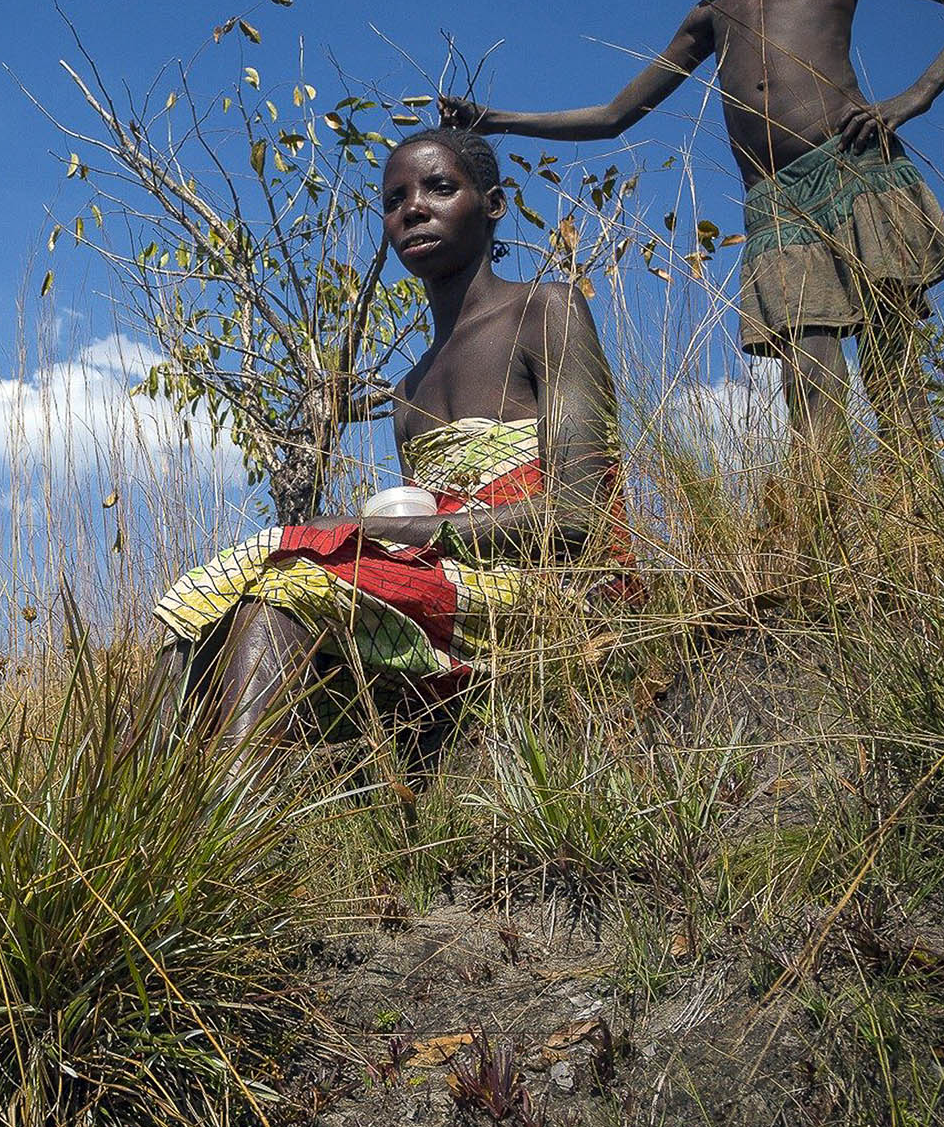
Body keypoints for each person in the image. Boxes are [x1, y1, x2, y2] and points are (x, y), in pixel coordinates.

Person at [441, 0, 944, 455]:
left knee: (892, 368)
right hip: (777, 205)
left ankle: (918, 503)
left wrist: (916, 95)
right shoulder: (710, 14)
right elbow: (615, 114)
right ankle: (826, 512)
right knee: (810, 393)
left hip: (853, 170)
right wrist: (497, 119)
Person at [155, 127, 634, 740]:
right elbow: (422, 532)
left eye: (440, 188)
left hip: (552, 591)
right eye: (393, 200)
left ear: (492, 204)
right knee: (214, 610)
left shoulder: (545, 310)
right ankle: (151, 795)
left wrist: (370, 531)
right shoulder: (408, 391)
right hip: (448, 585)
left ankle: (221, 798)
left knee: (285, 586)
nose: (412, 209)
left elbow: (579, 514)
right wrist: (377, 537)